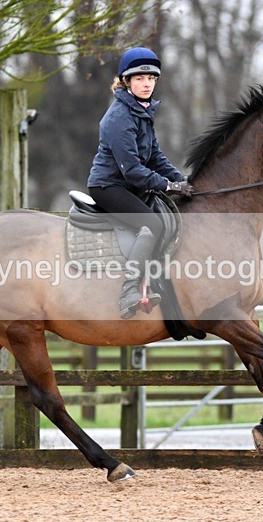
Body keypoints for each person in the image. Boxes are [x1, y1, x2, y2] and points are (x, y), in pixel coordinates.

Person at [87, 47, 194, 319]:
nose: (146, 83)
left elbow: (155, 156)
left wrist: (182, 179)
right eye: (139, 78)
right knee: (152, 224)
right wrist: (168, 186)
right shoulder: (119, 117)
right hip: (109, 187)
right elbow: (133, 170)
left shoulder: (142, 112)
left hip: (131, 186)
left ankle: (154, 279)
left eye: (151, 78)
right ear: (126, 81)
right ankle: (129, 291)